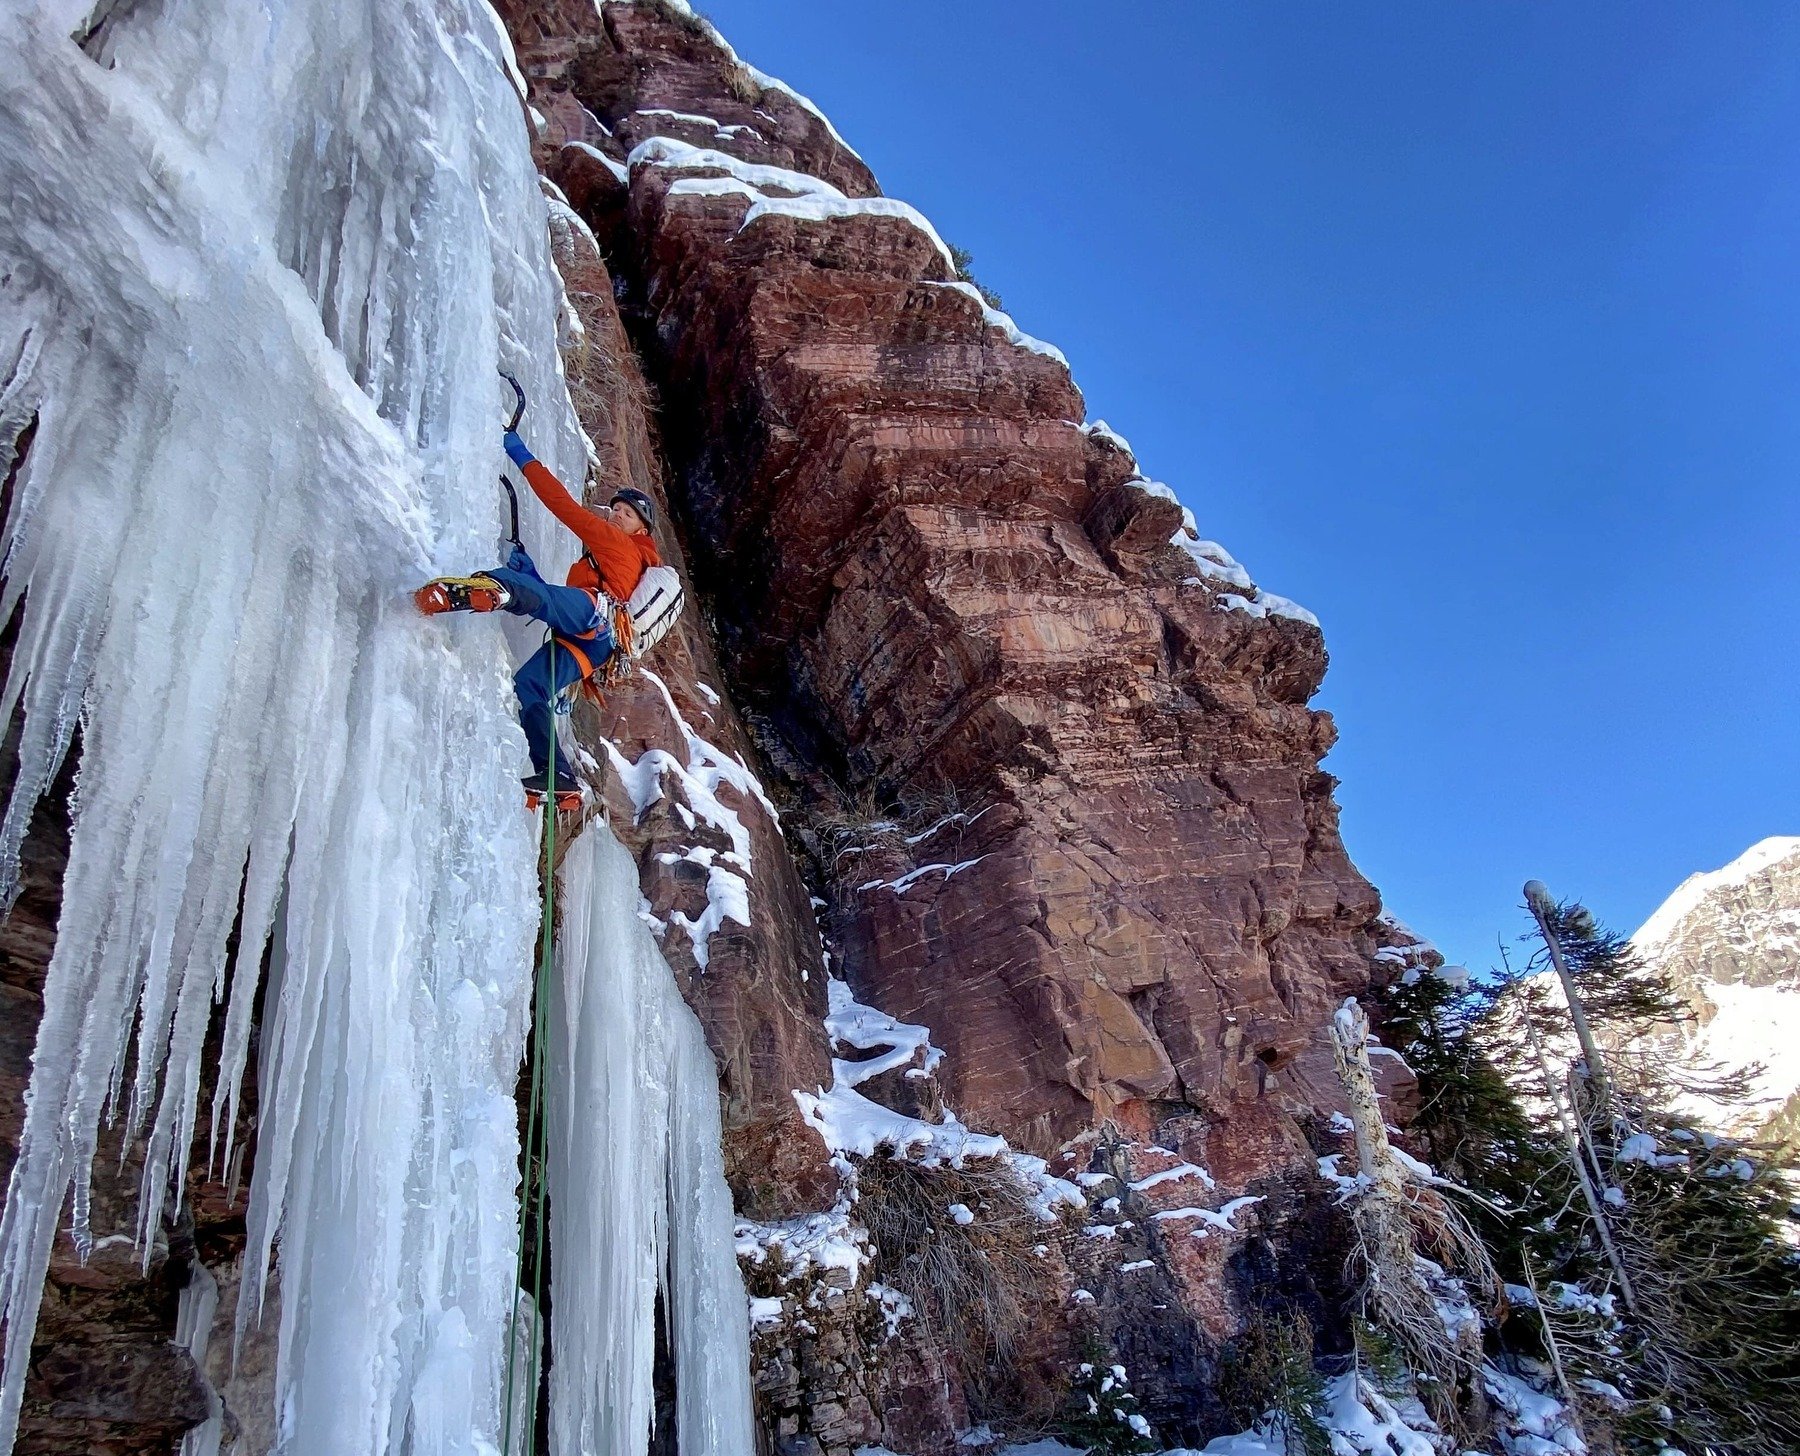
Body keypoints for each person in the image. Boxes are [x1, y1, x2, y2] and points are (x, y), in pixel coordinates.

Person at [417, 427, 661, 795]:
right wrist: (531, 577)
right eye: (615, 510)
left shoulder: (618, 544)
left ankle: (493, 589)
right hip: (596, 644)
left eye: (626, 514)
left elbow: (561, 504)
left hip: (595, 616)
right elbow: (558, 599)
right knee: (529, 686)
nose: (615, 517)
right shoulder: (620, 558)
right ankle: (558, 776)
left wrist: (522, 455)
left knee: (521, 590)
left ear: (642, 530)